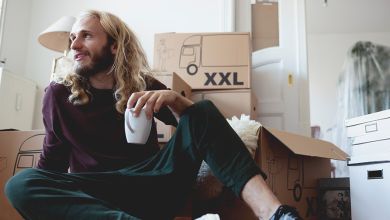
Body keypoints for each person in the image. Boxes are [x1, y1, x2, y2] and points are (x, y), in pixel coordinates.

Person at [5, 10, 302, 220]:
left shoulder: (142, 85)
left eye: (86, 36)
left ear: (114, 45)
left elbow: (204, 130)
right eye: (72, 38)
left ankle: (275, 213)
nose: (74, 44)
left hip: (152, 185)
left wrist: (175, 100)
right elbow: (52, 163)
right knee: (21, 184)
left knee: (203, 112)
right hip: (98, 196)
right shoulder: (57, 94)